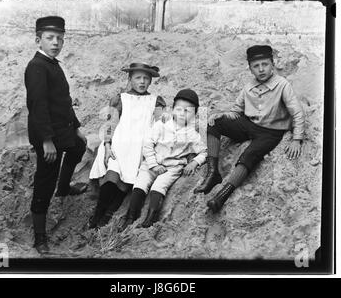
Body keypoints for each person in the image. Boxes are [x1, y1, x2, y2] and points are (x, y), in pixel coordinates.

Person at [194, 45, 305, 213]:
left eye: (265, 64)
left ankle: (223, 195)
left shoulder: (283, 85)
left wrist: (297, 139)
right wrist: (221, 116)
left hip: (270, 132)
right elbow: (236, 110)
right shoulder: (248, 87)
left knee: (249, 155)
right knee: (214, 123)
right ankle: (212, 174)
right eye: (256, 66)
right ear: (250, 68)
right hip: (249, 125)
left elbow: (297, 112)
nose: (261, 69)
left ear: (272, 64)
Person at [24, 16, 87, 254]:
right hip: (47, 134)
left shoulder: (54, 64)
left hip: (64, 128)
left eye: (60, 38)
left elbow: (63, 102)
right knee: (44, 182)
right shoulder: (37, 66)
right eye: (50, 38)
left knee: (79, 147)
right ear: (38, 39)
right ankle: (39, 237)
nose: (56, 43)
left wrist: (77, 127)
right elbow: (38, 106)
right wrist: (47, 140)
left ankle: (64, 188)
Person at [88, 63, 166, 229]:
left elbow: (160, 125)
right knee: (111, 178)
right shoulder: (121, 99)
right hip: (118, 144)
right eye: (138, 77)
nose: (142, 81)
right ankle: (97, 214)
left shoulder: (155, 101)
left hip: (138, 148)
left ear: (150, 81)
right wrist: (108, 145)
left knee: (125, 182)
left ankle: (108, 215)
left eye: (146, 78)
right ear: (130, 79)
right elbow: (111, 123)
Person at [119, 89, 207, 230]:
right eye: (179, 109)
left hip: (171, 168)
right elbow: (147, 145)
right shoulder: (161, 125)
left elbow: (204, 151)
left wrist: (194, 162)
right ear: (172, 109)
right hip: (151, 163)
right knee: (140, 184)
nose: (182, 113)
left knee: (159, 187)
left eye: (188, 111)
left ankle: (151, 218)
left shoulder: (192, 134)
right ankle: (130, 217)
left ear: (195, 114)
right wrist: (153, 165)